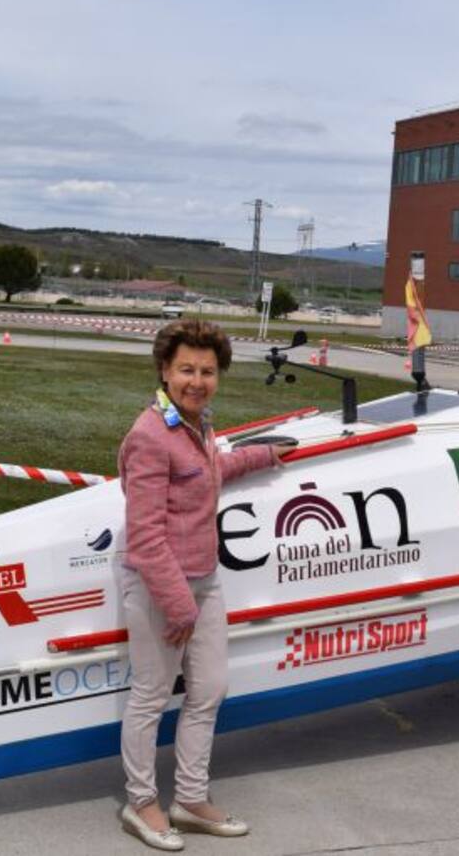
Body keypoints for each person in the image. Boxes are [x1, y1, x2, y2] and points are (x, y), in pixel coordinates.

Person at [118, 319, 295, 850]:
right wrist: (178, 608)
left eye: (208, 371)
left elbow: (210, 469)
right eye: (187, 370)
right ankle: (141, 802)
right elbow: (146, 539)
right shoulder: (149, 437)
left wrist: (263, 454)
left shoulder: (196, 424)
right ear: (165, 372)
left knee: (210, 689)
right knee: (151, 696)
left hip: (204, 580)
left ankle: (190, 799)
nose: (198, 380)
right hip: (160, 587)